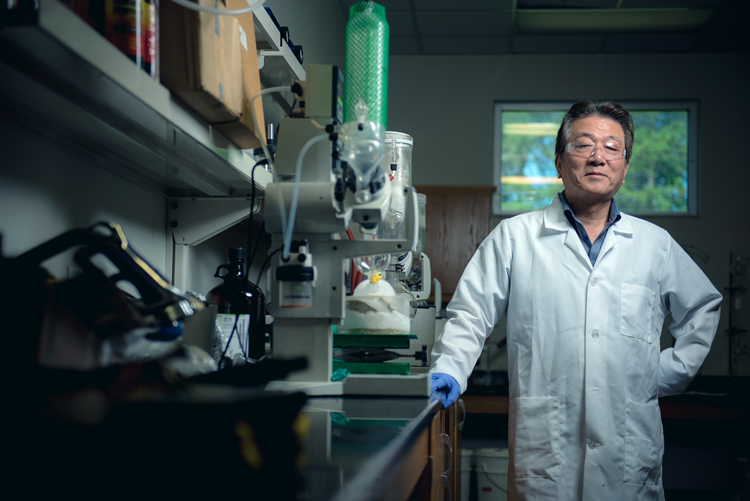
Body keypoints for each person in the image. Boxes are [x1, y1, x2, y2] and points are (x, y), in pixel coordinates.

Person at [430, 100, 722, 500]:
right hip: (545, 449)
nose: (598, 157)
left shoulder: (654, 245)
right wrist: (449, 367)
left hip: (628, 449)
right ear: (559, 161)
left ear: (625, 166)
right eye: (583, 145)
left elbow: (702, 307)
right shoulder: (515, 237)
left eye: (612, 147)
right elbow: (471, 313)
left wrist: (664, 373)